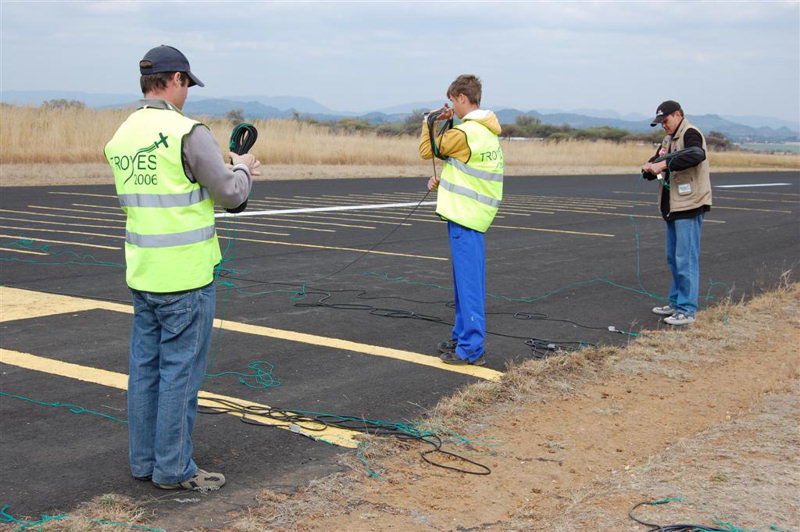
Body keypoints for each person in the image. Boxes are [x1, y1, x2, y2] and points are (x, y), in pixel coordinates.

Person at [104, 45, 260, 491]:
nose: (187, 92)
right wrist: (244, 168)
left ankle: (144, 461)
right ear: (174, 80)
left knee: (145, 372)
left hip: (144, 272)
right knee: (180, 375)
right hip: (186, 277)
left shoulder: (123, 135)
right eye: (187, 83)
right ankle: (173, 468)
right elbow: (230, 193)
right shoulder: (187, 132)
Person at [419, 74, 503, 366]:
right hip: (471, 214)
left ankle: (471, 349)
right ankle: (461, 336)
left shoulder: (466, 132)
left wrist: (430, 121)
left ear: (462, 99)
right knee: (463, 284)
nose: (451, 107)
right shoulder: (484, 130)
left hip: (467, 217)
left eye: (453, 101)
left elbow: (426, 150)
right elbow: (469, 169)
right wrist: (444, 180)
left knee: (468, 287)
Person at [641, 100, 711, 326]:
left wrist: (663, 164)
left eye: (666, 120)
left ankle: (687, 310)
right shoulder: (668, 139)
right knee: (673, 258)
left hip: (689, 205)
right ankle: (675, 301)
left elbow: (695, 155)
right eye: (660, 122)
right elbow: (658, 161)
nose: (663, 125)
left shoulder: (690, 133)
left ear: (678, 115)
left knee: (685, 258)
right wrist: (650, 168)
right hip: (672, 207)